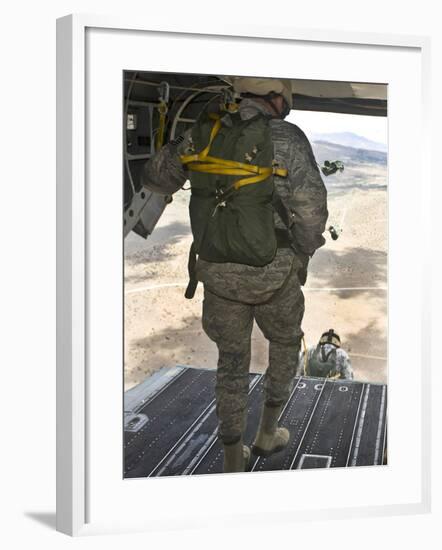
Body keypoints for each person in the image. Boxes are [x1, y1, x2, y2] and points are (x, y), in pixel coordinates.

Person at [141, 77, 328, 472]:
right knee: (284, 345)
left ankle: (231, 456)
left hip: (218, 272)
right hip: (274, 272)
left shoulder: (204, 132)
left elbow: (156, 178)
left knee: (231, 361)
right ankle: (266, 433)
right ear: (279, 97)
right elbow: (312, 212)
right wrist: (301, 254)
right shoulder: (289, 139)